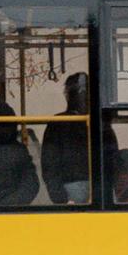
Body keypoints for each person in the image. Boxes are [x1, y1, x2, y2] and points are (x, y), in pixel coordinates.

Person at [40, 73, 91, 205]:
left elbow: (50, 163)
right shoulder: (100, 122)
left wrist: (60, 198)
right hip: (100, 185)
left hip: (71, 186)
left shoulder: (59, 122)